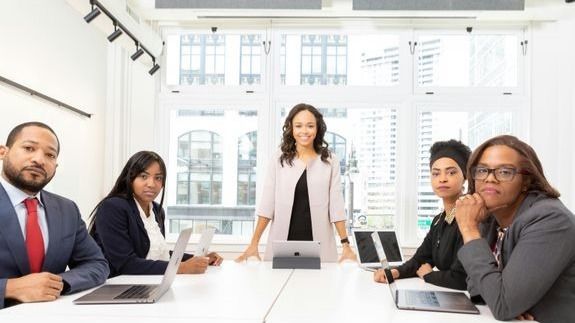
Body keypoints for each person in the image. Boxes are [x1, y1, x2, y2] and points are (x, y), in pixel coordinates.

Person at [454, 135, 575, 323]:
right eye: (482, 170)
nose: (490, 179)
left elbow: (503, 305)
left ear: (526, 181)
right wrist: (503, 297)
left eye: (504, 172)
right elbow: (475, 285)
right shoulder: (492, 218)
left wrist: (468, 228)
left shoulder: (550, 219)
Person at [0, 122, 109, 309]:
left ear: (56, 165)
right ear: (3, 152)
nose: (39, 160)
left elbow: (97, 264)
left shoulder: (67, 209)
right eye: (29, 148)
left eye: (50, 155)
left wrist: (56, 284)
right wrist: (9, 288)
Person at [236, 103, 356, 263]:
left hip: (319, 244)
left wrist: (345, 244)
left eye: (310, 126)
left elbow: (336, 206)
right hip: (283, 243)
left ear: (317, 128)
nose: (304, 131)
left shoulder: (330, 160)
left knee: (321, 287)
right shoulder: (279, 159)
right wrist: (254, 243)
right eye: (298, 126)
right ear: (291, 129)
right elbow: (267, 204)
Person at [89, 151, 223, 277]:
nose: (151, 184)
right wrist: (181, 267)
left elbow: (157, 254)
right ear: (130, 179)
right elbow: (126, 264)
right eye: (143, 176)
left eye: (158, 178)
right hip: (113, 286)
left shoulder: (157, 210)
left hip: (143, 282)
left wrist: (198, 259)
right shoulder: (113, 207)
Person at [374, 139, 471, 290]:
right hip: (448, 295)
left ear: (465, 176)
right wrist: (394, 272)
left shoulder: (469, 218)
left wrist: (429, 275)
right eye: (435, 173)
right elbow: (421, 259)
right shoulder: (439, 220)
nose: (442, 178)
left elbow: (462, 278)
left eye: (451, 172)